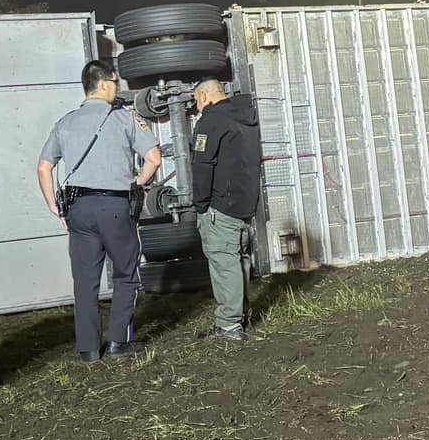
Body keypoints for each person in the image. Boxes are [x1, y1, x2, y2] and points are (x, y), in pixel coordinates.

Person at [38, 60, 164, 361]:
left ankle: (89, 349)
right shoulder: (124, 118)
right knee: (124, 275)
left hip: (78, 209)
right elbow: (155, 158)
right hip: (116, 206)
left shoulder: (65, 122)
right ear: (105, 84)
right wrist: (138, 183)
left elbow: (44, 167)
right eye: (116, 83)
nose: (118, 89)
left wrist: (53, 205)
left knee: (85, 282)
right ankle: (120, 342)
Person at [189, 78, 262, 340]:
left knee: (223, 261)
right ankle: (241, 318)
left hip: (219, 205)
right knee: (239, 261)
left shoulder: (209, 122)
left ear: (205, 97)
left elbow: (202, 166)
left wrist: (200, 204)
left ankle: (229, 325)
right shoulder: (247, 119)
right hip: (244, 204)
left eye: (197, 101)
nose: (197, 107)